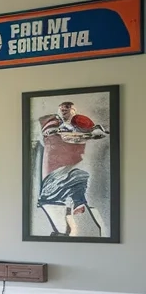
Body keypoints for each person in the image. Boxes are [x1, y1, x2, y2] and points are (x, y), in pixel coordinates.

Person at [35, 101, 108, 237]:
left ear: (73, 110)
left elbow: (92, 132)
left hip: (72, 171)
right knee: (57, 211)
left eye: (67, 108)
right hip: (56, 176)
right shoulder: (52, 125)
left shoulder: (80, 123)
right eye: (62, 108)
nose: (64, 110)